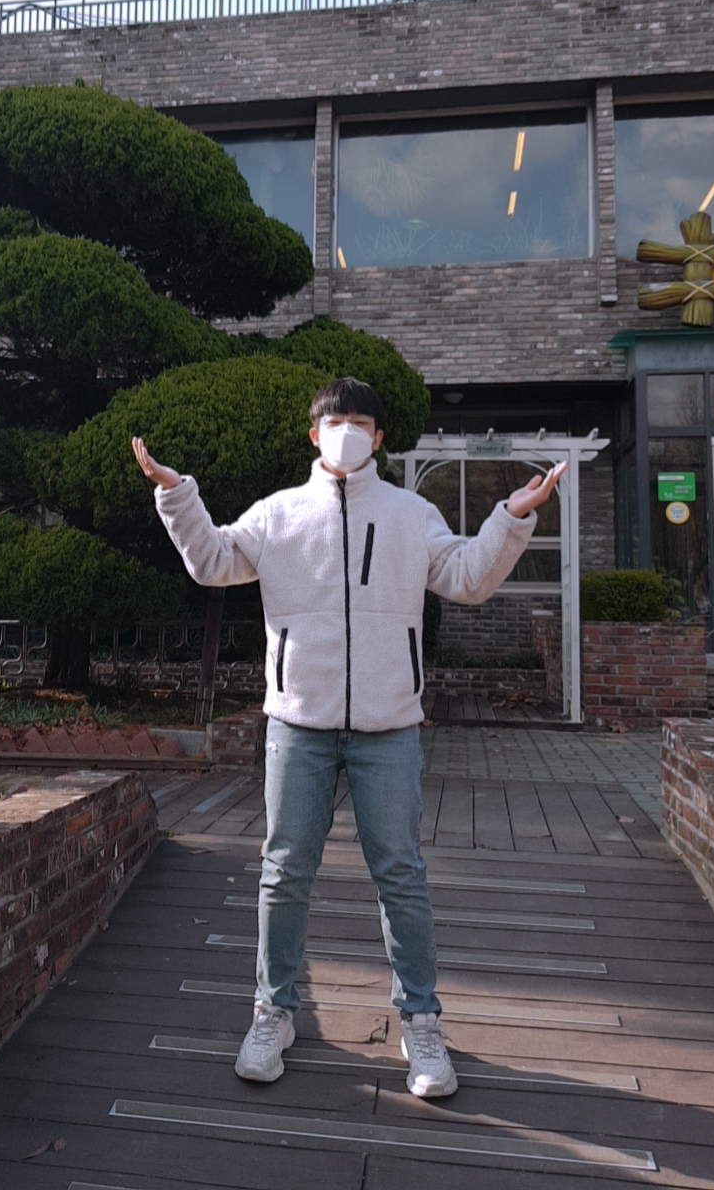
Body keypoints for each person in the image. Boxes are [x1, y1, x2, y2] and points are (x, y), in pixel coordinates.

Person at [132, 377, 565, 1097]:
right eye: (336, 421)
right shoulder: (279, 513)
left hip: (388, 727)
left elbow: (467, 577)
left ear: (379, 437)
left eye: (361, 421)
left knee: (401, 874)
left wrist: (510, 516)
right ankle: (273, 1011)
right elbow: (213, 562)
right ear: (313, 433)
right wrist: (177, 494)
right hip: (297, 722)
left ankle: (420, 1022)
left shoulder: (410, 513)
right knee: (283, 871)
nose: (347, 431)